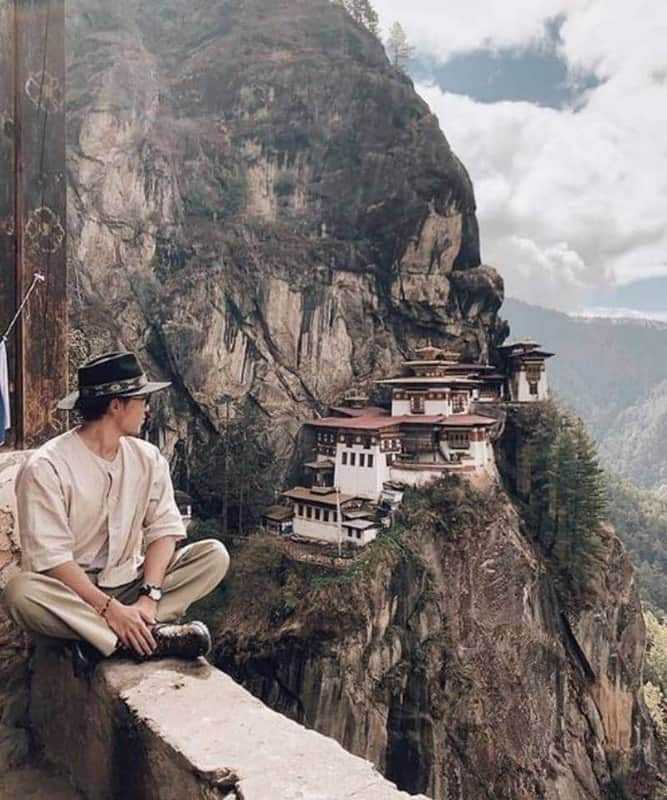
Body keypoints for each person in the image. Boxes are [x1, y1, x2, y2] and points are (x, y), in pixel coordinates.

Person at [2, 351, 229, 671]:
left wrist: (148, 598)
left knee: (213, 556)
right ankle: (140, 637)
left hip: (130, 581)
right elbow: (52, 558)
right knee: (20, 594)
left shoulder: (148, 458)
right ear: (116, 405)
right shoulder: (46, 467)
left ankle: (114, 636)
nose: (148, 410)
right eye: (141, 399)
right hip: (72, 594)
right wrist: (108, 609)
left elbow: (164, 529)